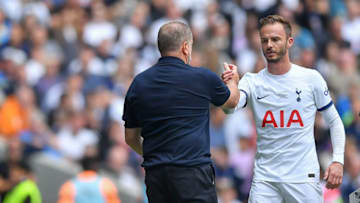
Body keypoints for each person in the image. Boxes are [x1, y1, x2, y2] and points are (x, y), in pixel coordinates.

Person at [222, 15, 345, 202]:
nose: (269, 45)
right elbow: (229, 109)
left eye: (275, 39)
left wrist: (338, 160)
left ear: (289, 42)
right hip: (266, 180)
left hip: (303, 178)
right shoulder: (251, 81)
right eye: (265, 40)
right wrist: (232, 84)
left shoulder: (311, 78)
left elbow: (334, 121)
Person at [122, 21, 239, 203]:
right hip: (193, 174)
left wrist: (154, 155)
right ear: (185, 47)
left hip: (156, 176)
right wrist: (232, 81)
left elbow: (130, 138)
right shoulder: (202, 77)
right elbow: (232, 102)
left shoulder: (139, 83)